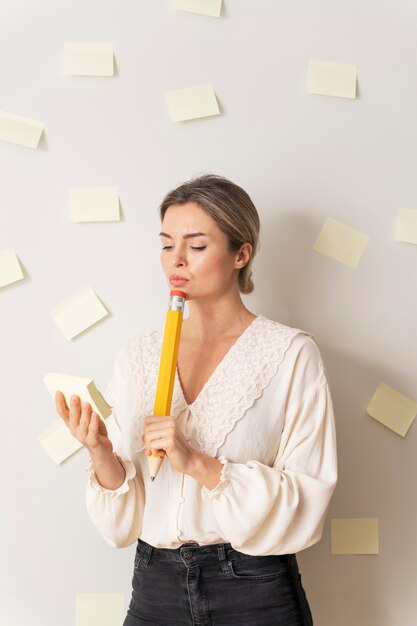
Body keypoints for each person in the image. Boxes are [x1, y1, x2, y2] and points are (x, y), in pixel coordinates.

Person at [55, 174, 337, 626]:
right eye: (167, 244)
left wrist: (199, 462)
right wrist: (101, 453)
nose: (177, 261)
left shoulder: (290, 353)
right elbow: (124, 522)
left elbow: (309, 494)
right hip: (154, 585)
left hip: (254, 588)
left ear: (241, 253)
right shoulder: (139, 354)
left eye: (197, 245)